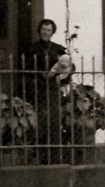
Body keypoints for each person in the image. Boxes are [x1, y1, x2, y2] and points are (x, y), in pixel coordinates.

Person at [25, 19, 75, 163]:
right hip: (38, 88)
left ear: (52, 32)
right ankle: (38, 154)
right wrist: (40, 75)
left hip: (53, 89)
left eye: (48, 30)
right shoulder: (32, 49)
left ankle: (54, 155)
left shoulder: (58, 49)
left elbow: (70, 66)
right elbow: (26, 69)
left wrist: (62, 78)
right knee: (40, 121)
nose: (45, 32)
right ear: (39, 30)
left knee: (54, 121)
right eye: (43, 29)